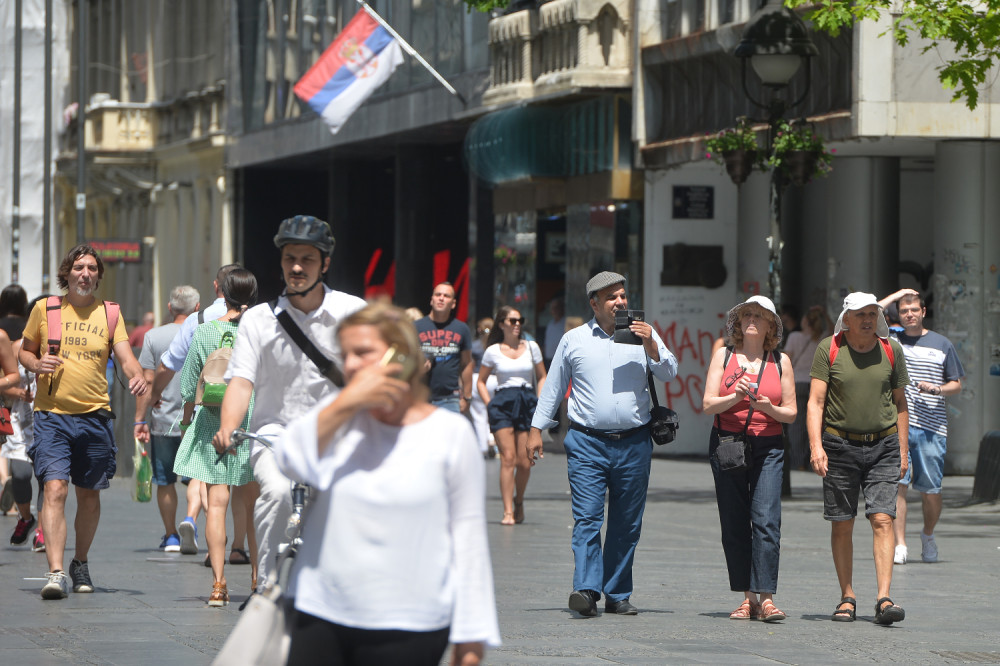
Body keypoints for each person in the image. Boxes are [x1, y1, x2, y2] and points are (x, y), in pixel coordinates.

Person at [275, 302, 500, 665]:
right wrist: (347, 402)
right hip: (321, 611)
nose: (351, 364)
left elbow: (468, 538)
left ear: (402, 355)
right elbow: (290, 459)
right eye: (345, 354)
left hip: (411, 621)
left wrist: (471, 640)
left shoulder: (449, 435)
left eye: (363, 352)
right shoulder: (338, 420)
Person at [213, 215, 366, 592]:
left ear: (325, 264)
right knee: (279, 493)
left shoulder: (352, 313)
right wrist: (227, 427)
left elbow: (377, 372)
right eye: (290, 258)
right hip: (275, 436)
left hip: (336, 438)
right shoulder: (258, 321)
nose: (297, 267)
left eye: (308, 259)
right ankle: (267, 585)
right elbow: (241, 381)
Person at [527, 271, 678, 617]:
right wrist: (536, 428)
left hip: (635, 442)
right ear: (594, 304)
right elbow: (553, 388)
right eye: (611, 297)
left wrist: (652, 344)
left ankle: (617, 593)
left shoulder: (645, 333)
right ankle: (586, 589)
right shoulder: (573, 340)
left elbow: (670, 372)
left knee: (627, 522)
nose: (620, 302)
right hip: (586, 443)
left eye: (622, 295)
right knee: (587, 518)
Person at [19, 244, 148, 600]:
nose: (86, 274)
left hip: (95, 418)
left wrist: (136, 376)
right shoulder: (46, 309)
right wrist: (35, 364)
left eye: (92, 268)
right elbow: (25, 351)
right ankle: (57, 571)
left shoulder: (110, 315)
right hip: (52, 417)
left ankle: (81, 561)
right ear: (67, 273)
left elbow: (127, 359)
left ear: (98, 276)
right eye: (79, 267)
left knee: (89, 495)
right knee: (54, 488)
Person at [807, 292, 909, 624]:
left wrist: (904, 451)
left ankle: (884, 598)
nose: (867, 319)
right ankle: (847, 596)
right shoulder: (830, 348)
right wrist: (815, 447)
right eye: (860, 314)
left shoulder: (891, 349)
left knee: (883, 519)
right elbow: (816, 403)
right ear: (846, 318)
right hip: (839, 446)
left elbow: (900, 404)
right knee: (842, 522)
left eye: (872, 313)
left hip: (884, 446)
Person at [702, 296, 796, 622]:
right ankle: (747, 598)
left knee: (767, 520)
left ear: (771, 325)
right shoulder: (723, 355)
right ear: (738, 324)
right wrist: (737, 397)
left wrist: (768, 408)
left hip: (768, 445)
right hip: (728, 443)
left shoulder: (780, 360)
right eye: (747, 315)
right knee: (735, 522)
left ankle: (767, 598)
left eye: (760, 316)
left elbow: (791, 412)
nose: (752, 320)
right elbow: (708, 404)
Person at [150, 264, 247, 565]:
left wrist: (159, 399)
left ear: (218, 288)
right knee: (243, 487)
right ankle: (240, 548)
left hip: (209, 412)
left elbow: (177, 371)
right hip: (247, 413)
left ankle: (209, 557)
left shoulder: (200, 322)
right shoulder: (259, 324)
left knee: (208, 486)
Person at [174, 269, 259, 606]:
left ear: (222, 293)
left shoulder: (206, 330)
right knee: (252, 508)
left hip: (212, 422)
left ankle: (219, 585)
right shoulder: (260, 333)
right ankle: (256, 581)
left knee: (216, 506)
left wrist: (184, 422)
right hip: (251, 421)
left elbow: (189, 383)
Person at [879, 288, 964, 565]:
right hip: (899, 426)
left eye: (914, 309)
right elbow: (868, 312)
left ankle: (928, 534)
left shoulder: (942, 344)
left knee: (930, 491)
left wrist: (937, 390)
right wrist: (900, 293)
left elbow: (956, 384)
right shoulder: (893, 338)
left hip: (932, 428)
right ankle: (900, 543)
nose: (909, 314)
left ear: (923, 312)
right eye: (904, 310)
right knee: (899, 486)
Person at [133, 285, 202, 553]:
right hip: (196, 418)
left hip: (163, 420)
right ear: (198, 308)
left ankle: (172, 535)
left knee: (164, 480)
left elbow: (147, 382)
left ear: (170, 308)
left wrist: (140, 419)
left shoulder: (153, 336)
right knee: (197, 476)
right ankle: (191, 519)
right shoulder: (203, 332)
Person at [478, 306, 546, 525]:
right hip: (503, 402)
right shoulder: (493, 351)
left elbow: (542, 376)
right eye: (512, 320)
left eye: (520, 320)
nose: (517, 324)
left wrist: (541, 402)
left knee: (525, 461)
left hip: (526, 401)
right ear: (501, 324)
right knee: (507, 458)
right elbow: (481, 381)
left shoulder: (531, 347)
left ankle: (519, 500)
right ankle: (508, 510)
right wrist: (490, 405)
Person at [414, 282, 474, 416]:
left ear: (453, 304)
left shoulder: (461, 329)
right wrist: (418, 366)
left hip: (450, 399)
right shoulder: (415, 327)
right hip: (420, 398)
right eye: (438, 294)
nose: (441, 298)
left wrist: (467, 396)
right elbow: (405, 359)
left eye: (446, 296)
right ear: (431, 300)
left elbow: (466, 364)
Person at [783, 305, 831, 469]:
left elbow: (787, 361)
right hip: (816, 384)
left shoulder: (794, 336)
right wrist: (824, 314)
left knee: (796, 426)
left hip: (797, 383)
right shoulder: (823, 338)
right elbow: (833, 329)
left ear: (804, 321)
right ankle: (816, 459)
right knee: (816, 422)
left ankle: (798, 463)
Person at [469, 317, 496, 458]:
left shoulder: (474, 346)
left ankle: (483, 447)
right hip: (495, 380)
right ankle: (492, 438)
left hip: (477, 378)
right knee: (493, 411)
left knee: (479, 415)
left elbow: (470, 365)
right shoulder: (496, 346)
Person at [543, 296, 565, 370]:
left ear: (561, 308)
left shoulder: (565, 323)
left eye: (556, 307)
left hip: (561, 361)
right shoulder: (550, 324)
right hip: (548, 360)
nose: (554, 310)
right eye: (552, 308)